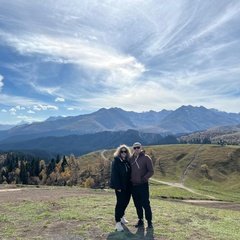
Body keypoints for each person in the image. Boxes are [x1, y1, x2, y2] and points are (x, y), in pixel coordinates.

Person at [129, 142, 154, 229]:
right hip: (133, 186)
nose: (136, 149)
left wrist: (144, 179)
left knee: (145, 203)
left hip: (143, 185)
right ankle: (140, 219)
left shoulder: (146, 158)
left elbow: (151, 171)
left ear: (141, 148)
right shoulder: (130, 159)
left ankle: (149, 221)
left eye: (138, 147)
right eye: (134, 148)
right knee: (137, 204)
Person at [110, 144, 132, 231]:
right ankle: (118, 222)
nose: (124, 153)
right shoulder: (116, 161)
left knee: (126, 202)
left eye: (125, 151)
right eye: (122, 151)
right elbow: (115, 175)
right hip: (120, 187)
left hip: (128, 187)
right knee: (120, 203)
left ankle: (122, 216)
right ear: (119, 152)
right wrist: (117, 186)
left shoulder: (126, 161)